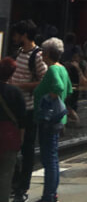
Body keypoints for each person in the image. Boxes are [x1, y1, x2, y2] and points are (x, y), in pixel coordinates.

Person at [9, 20, 47, 202]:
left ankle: (22, 187)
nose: (14, 37)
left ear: (24, 35)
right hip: (13, 109)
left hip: (28, 109)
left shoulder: (37, 56)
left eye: (17, 34)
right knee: (11, 146)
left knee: (27, 149)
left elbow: (45, 81)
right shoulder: (19, 53)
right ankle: (14, 183)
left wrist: (22, 86)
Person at [34, 37, 73, 202]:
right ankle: (52, 193)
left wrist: (47, 100)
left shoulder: (52, 70)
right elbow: (70, 89)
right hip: (58, 119)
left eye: (43, 50)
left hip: (49, 120)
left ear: (49, 53)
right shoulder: (62, 69)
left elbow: (59, 87)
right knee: (53, 157)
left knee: (48, 159)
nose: (41, 53)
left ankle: (48, 195)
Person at [0, 58, 26, 202]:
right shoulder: (15, 92)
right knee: (5, 176)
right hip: (9, 137)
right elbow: (22, 119)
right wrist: (20, 139)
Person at [64, 46, 87, 124]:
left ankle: (76, 121)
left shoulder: (86, 66)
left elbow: (85, 83)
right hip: (71, 90)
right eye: (73, 57)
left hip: (81, 92)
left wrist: (78, 70)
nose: (74, 59)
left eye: (76, 57)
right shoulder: (68, 65)